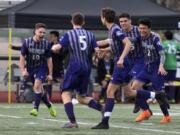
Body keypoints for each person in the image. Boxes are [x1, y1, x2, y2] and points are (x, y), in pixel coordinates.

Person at [51, 12, 104, 128]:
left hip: (74, 66)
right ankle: (102, 108)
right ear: (83, 22)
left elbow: (57, 47)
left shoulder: (69, 34)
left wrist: (53, 48)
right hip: (86, 68)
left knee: (65, 93)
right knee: (81, 97)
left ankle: (73, 122)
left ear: (72, 22)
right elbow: (98, 51)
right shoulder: (90, 34)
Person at [131, 18, 171, 124]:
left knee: (159, 94)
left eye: (144, 28)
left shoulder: (155, 38)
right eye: (140, 28)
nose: (142, 30)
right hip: (146, 67)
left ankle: (166, 116)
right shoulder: (139, 37)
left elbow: (162, 53)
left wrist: (161, 66)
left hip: (156, 68)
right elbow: (129, 42)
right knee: (134, 88)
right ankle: (146, 111)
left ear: (149, 29)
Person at [19, 23, 57, 117]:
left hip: (41, 68)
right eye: (40, 32)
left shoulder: (46, 44)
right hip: (30, 68)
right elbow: (22, 58)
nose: (42, 34)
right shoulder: (27, 42)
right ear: (35, 31)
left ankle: (35, 108)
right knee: (39, 89)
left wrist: (50, 74)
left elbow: (49, 60)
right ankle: (49, 105)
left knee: (36, 86)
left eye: (44, 33)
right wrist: (23, 70)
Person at [119, 13, 144, 112]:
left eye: (125, 21)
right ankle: (144, 102)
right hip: (128, 62)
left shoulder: (138, 30)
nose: (123, 23)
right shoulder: (119, 32)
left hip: (140, 60)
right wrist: (104, 50)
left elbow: (154, 35)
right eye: (121, 21)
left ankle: (140, 102)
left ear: (130, 21)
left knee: (135, 86)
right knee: (128, 90)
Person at [48, 31, 66, 101]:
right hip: (51, 67)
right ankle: (49, 99)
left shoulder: (61, 45)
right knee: (49, 81)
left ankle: (64, 98)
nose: (50, 38)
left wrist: (58, 52)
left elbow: (64, 55)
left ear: (56, 37)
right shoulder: (49, 45)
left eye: (52, 36)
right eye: (50, 36)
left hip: (59, 67)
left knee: (62, 82)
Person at [163, 31, 180, 102]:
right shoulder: (176, 44)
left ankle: (164, 98)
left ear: (165, 36)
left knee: (163, 82)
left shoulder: (163, 43)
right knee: (171, 82)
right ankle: (172, 98)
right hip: (173, 65)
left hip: (165, 65)